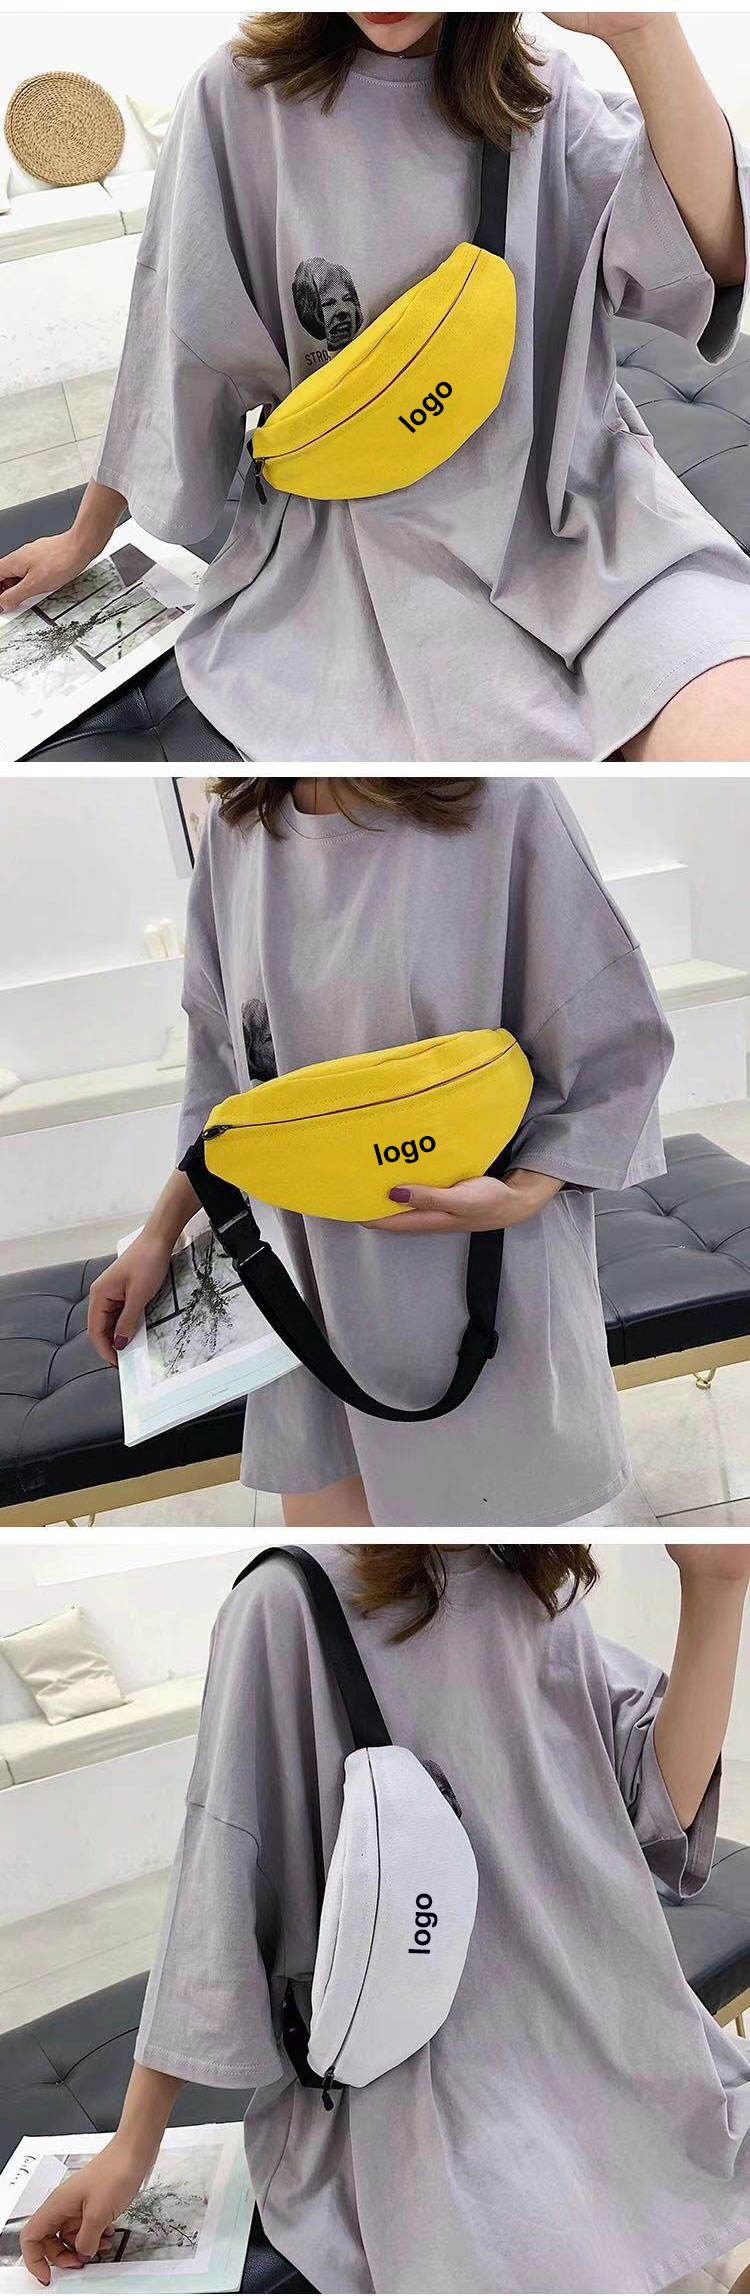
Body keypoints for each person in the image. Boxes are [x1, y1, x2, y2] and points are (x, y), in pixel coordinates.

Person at [1, 13, 749, 761]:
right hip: (353, 552)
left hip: (578, 514)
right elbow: (177, 347)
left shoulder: (540, 91)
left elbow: (707, 254)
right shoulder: (237, 96)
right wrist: (87, 535)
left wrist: (645, 31)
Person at [20, 1541, 750, 2294]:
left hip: (615, 2030)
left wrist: (718, 1586)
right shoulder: (289, 1603)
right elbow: (221, 1875)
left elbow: (653, 1806)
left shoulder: (535, 1581)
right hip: (428, 2095)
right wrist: (134, 2143)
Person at [85, 775, 671, 1528]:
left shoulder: (504, 803)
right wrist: (159, 1233)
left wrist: (523, 1193)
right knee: (342, 1571)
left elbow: (614, 1039)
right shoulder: (236, 834)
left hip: (481, 1293)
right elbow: (225, 1079)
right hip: (300, 1299)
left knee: (494, 1564)